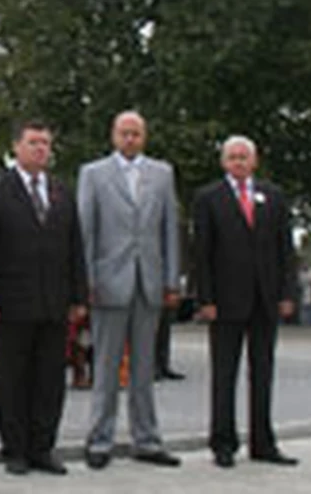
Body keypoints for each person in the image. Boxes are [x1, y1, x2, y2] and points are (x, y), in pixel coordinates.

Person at [0, 120, 88, 476]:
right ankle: (15, 449)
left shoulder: (60, 191)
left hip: (54, 303)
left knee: (50, 380)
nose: (41, 149)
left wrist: (78, 296)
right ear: (17, 148)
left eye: (46, 143)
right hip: (11, 303)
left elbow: (75, 247)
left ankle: (43, 447)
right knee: (12, 380)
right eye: (34, 142)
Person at [76, 110, 181, 468]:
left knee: (144, 367)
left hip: (148, 283)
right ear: (113, 135)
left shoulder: (162, 174)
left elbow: (170, 230)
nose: (131, 139)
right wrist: (85, 281)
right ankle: (100, 440)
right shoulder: (93, 174)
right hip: (108, 283)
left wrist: (171, 280)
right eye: (124, 133)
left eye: (137, 133)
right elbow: (85, 231)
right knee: (105, 366)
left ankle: (147, 440)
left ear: (145, 136)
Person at [193, 135, 297, 467]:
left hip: (265, 299)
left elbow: (285, 250)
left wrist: (286, 293)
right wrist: (205, 298)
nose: (238, 162)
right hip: (225, 301)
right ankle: (223, 443)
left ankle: (263, 443)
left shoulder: (274, 197)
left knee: (263, 372)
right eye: (232, 157)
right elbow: (202, 254)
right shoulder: (209, 198)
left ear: (254, 161)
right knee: (225, 374)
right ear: (224, 162)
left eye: (244, 157)